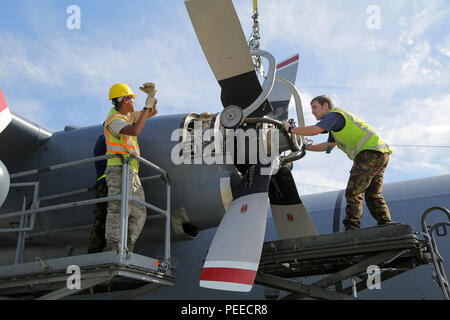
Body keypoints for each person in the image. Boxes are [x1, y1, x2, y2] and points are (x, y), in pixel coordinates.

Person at [283, 95, 394, 230]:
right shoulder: (334, 126)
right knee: (373, 194)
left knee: (353, 192)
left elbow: (315, 130)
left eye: (314, 107)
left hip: (369, 153)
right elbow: (327, 148)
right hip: (381, 154)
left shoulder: (334, 115)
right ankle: (386, 223)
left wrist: (290, 129)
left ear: (325, 106)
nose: (312, 112)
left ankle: (352, 227)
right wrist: (304, 146)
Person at [103, 82, 157, 251]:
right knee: (118, 209)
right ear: (125, 100)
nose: (134, 101)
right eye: (132, 98)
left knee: (138, 212)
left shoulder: (127, 116)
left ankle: (127, 246)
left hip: (131, 170)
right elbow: (135, 131)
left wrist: (152, 98)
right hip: (118, 169)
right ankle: (113, 247)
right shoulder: (114, 119)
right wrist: (147, 105)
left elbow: (152, 112)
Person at [88, 134, 108, 254]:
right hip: (105, 185)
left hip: (104, 184)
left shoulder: (102, 138)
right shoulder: (105, 139)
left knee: (101, 221)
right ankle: (95, 251)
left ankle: (95, 250)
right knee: (102, 221)